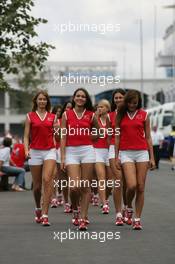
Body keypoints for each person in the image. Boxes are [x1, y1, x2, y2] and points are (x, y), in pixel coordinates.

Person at [115, 90, 155, 230]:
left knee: (141, 187)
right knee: (131, 185)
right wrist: (116, 157)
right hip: (126, 153)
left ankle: (137, 218)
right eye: (130, 102)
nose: (132, 105)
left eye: (135, 103)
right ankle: (128, 206)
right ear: (126, 102)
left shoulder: (144, 115)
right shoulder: (121, 115)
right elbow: (117, 137)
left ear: (138, 103)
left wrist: (152, 157)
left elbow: (148, 137)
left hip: (142, 153)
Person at [60, 88, 99, 231]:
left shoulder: (91, 114)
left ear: (86, 99)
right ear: (74, 98)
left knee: (85, 186)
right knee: (74, 186)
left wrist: (91, 137)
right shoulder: (66, 114)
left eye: (83, 96)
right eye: (78, 96)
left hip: (87, 151)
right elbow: (63, 137)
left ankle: (83, 218)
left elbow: (100, 131)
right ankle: (75, 208)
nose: (80, 98)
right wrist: (63, 157)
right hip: (71, 152)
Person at [24, 90, 57, 226]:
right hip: (35, 152)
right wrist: (26, 150)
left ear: (47, 102)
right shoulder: (30, 116)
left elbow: (57, 135)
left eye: (44, 99)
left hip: (50, 150)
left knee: (47, 180)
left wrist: (59, 131)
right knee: (37, 186)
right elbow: (26, 136)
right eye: (40, 99)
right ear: (36, 101)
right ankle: (38, 207)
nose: (42, 101)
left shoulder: (53, 117)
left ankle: (45, 214)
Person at [108, 88, 126, 225]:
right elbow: (109, 136)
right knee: (118, 181)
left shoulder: (129, 113)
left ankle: (127, 207)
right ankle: (119, 213)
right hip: (114, 148)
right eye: (116, 98)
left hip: (128, 149)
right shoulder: (110, 116)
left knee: (128, 183)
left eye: (121, 97)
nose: (118, 100)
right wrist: (111, 149)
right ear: (113, 100)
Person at [93, 99, 112, 214]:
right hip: (97, 151)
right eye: (98, 107)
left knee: (109, 181)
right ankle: (104, 203)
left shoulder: (111, 119)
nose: (99, 109)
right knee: (101, 178)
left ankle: (106, 198)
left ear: (108, 109)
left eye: (102, 107)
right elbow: (90, 136)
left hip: (109, 152)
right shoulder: (95, 120)